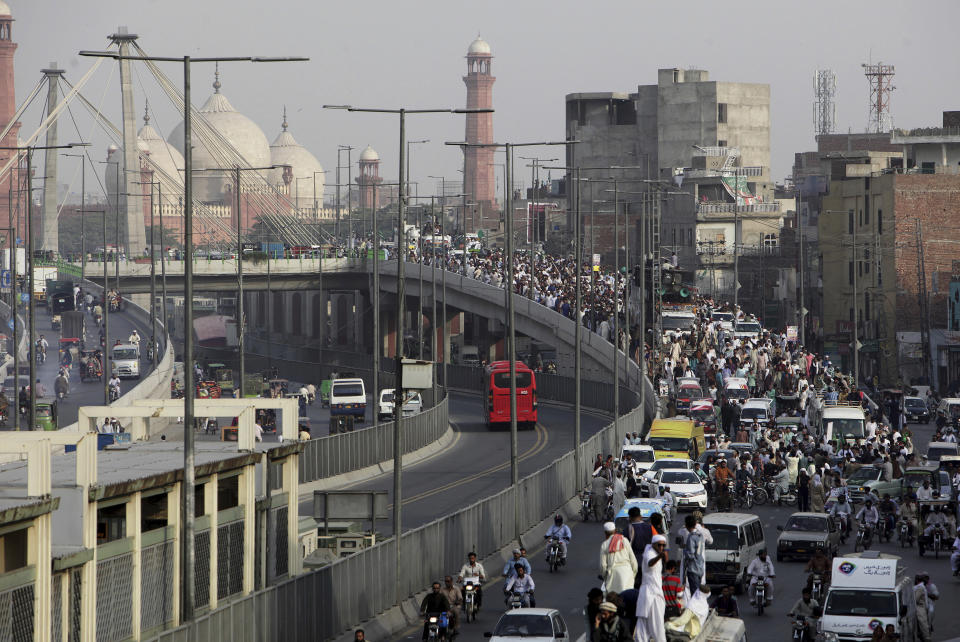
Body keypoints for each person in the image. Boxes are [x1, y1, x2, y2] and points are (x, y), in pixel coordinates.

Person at [635, 534, 668, 642]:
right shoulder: (649, 553)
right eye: (659, 545)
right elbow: (650, 563)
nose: (661, 548)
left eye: (663, 545)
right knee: (655, 622)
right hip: (651, 593)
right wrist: (660, 556)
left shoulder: (654, 551)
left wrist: (662, 558)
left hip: (652, 592)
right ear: (653, 544)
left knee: (647, 623)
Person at [600, 522, 637, 593]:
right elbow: (633, 561)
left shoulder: (604, 544)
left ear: (605, 533)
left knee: (613, 599)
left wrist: (606, 578)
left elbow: (603, 566)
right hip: (627, 572)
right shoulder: (624, 540)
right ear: (615, 531)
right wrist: (632, 575)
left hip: (612, 574)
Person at [681, 514, 705, 593]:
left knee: (694, 593)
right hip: (700, 567)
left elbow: (690, 554)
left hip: (693, 568)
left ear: (686, 525)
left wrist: (684, 550)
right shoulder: (700, 535)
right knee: (698, 592)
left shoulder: (691, 537)